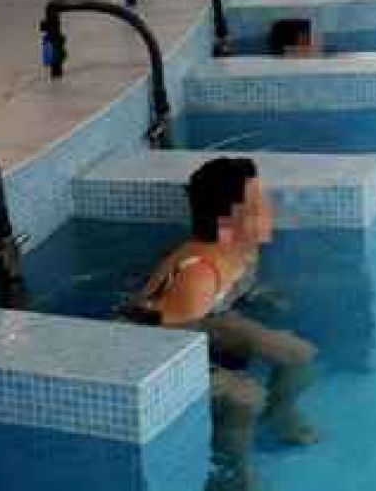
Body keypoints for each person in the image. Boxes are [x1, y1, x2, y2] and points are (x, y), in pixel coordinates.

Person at [126, 158, 318, 489]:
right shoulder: (198, 273)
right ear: (227, 221)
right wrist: (225, 375)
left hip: (206, 317)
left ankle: (279, 413)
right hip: (155, 339)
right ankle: (232, 475)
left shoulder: (244, 248)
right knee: (245, 398)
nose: (269, 211)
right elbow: (168, 348)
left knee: (298, 354)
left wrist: (261, 298)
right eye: (257, 206)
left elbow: (235, 292)